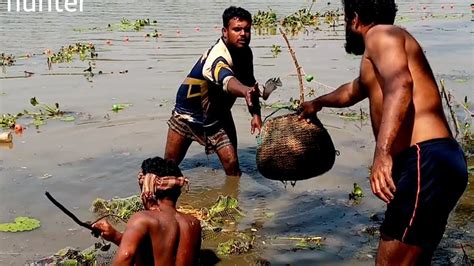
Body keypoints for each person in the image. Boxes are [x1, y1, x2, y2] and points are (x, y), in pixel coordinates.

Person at [299, 0, 468, 265]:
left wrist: (382, 153)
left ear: (354, 19)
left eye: (345, 20)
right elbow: (353, 90)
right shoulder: (378, 55)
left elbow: (401, 84)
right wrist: (317, 102)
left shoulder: (381, 34)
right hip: (434, 163)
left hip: (426, 160)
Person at [165, 6, 262, 177]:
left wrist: (255, 114)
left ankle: (233, 201)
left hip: (218, 113)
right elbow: (226, 79)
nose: (243, 34)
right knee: (169, 166)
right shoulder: (217, 56)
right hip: (187, 113)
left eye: (247, 30)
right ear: (225, 31)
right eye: (237, 29)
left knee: (233, 166)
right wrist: (244, 90)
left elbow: (249, 85)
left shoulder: (246, 53)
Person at [92, 157, 201, 265]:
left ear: (147, 189)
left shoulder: (143, 219)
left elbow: (126, 256)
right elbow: (160, 252)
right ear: (178, 191)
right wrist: (115, 236)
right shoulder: (194, 223)